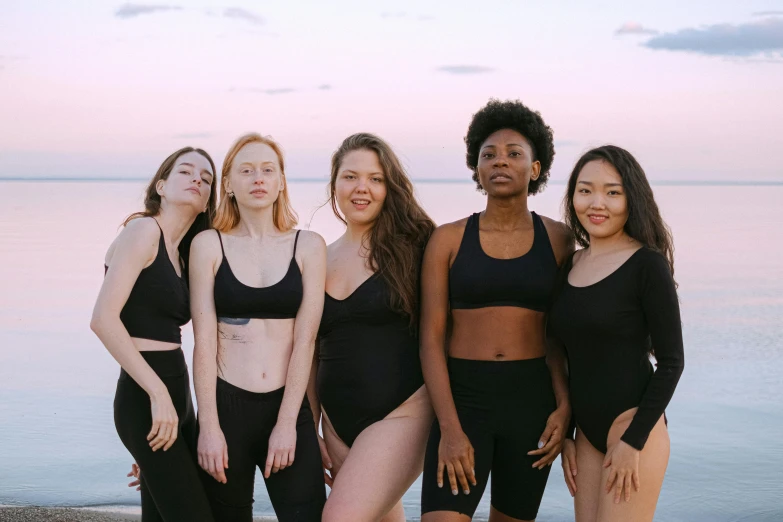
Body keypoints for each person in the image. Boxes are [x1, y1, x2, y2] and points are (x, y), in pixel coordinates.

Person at [420, 99, 573, 522]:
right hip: (464, 401)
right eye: (488, 154)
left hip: (533, 405)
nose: (499, 161)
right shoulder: (447, 240)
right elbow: (431, 340)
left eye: (514, 153)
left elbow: (559, 339)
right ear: (476, 169)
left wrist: (565, 408)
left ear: (536, 169)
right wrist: (449, 428)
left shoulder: (560, 240)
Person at [190, 133, 327, 521]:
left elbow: (306, 342)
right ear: (228, 184)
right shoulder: (208, 245)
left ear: (281, 181)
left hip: (287, 406)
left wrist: (288, 425)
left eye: (268, 169)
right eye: (245, 170)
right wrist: (209, 426)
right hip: (227, 407)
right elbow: (203, 343)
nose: (258, 178)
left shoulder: (308, 246)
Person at [550, 145, 684, 522]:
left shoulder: (647, 265)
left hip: (633, 424)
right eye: (585, 189)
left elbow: (673, 362)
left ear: (632, 199)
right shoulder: (571, 264)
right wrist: (569, 434)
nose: (597, 203)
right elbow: (563, 351)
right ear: (573, 195)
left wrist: (633, 441)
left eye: (613, 191)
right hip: (587, 434)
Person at [311, 133, 436, 522]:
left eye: (375, 178)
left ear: (389, 187)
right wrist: (309, 428)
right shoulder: (317, 256)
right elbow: (310, 352)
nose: (361, 188)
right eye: (350, 177)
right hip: (336, 424)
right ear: (335, 185)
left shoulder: (419, 246)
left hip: (402, 414)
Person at [91, 147, 217, 521]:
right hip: (146, 396)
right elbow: (103, 319)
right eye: (186, 171)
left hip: (178, 396)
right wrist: (157, 395)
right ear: (161, 185)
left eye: (207, 178)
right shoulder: (143, 230)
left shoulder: (185, 253)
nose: (197, 179)